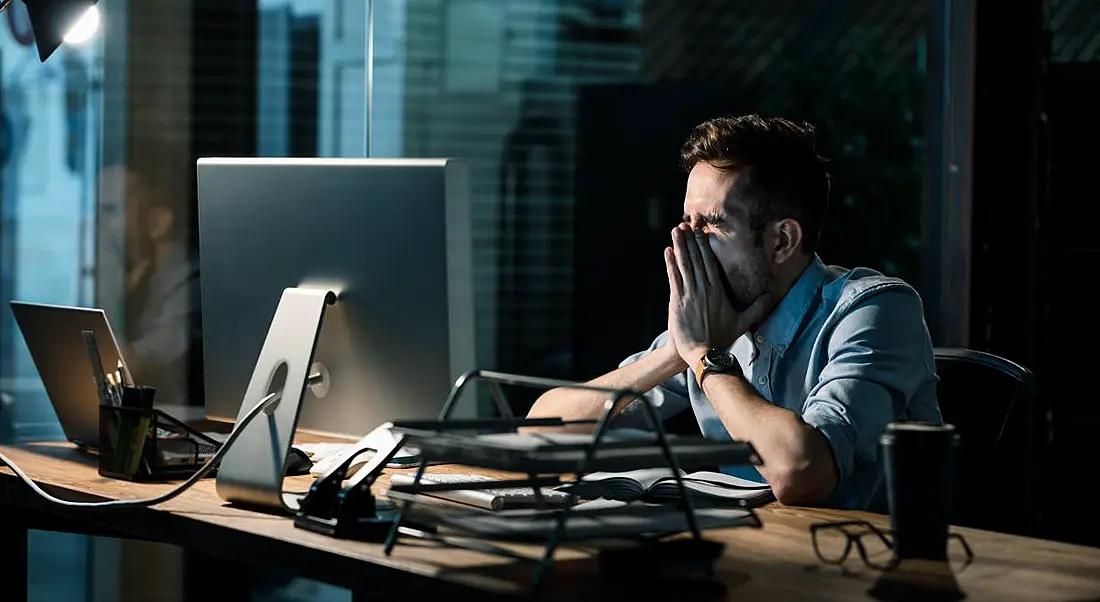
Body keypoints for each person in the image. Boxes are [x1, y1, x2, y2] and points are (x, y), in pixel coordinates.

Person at [527, 114, 941, 511]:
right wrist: (675, 355)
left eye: (711, 224)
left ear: (782, 241)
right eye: (686, 221)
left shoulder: (877, 309)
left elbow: (799, 471)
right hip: (760, 558)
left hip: (863, 569)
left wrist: (708, 358)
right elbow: (538, 433)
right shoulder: (717, 320)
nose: (687, 242)